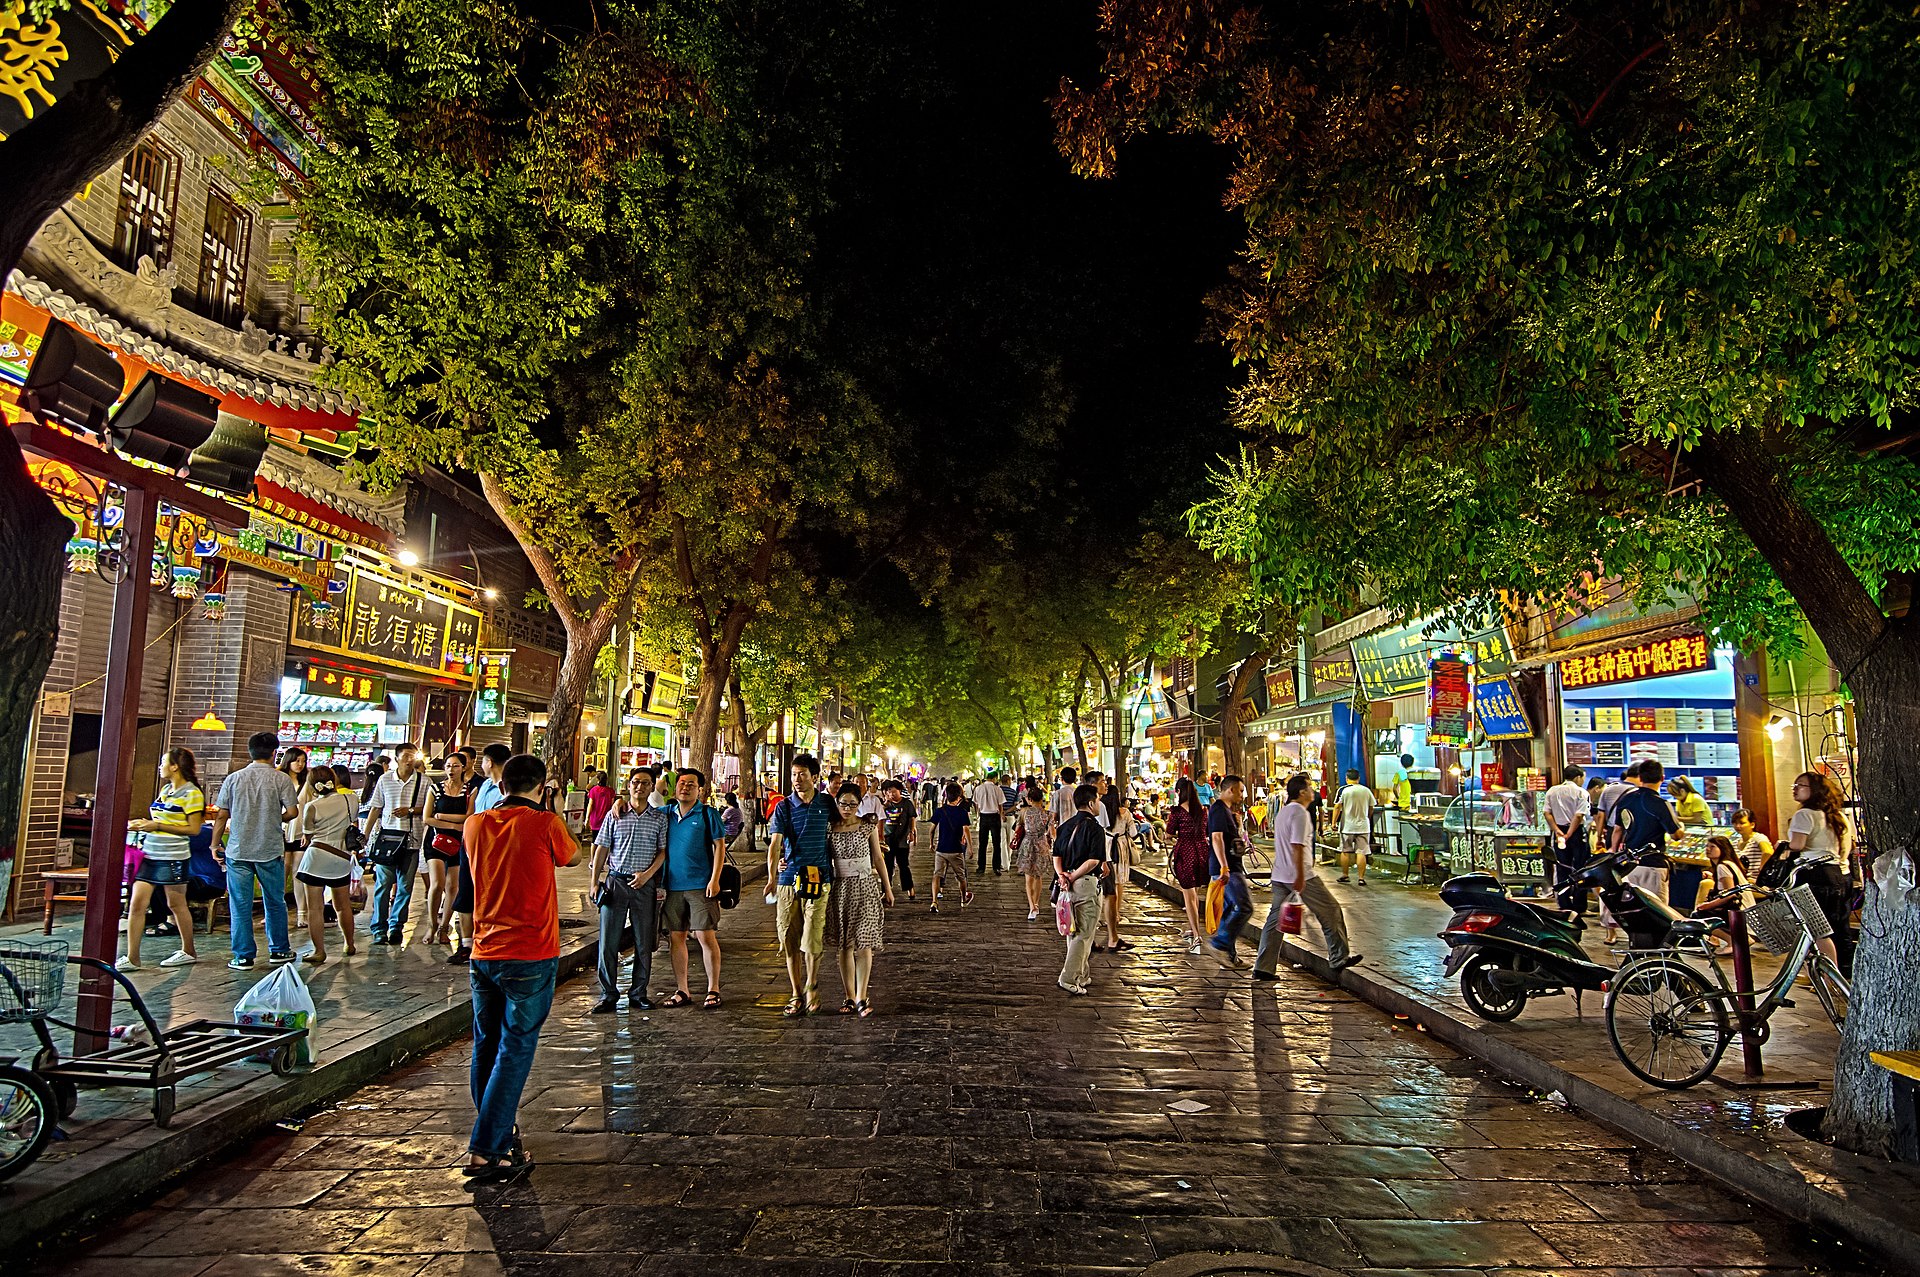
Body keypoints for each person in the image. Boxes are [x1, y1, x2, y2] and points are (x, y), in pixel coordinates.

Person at [460, 752, 577, 1183]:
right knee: (515, 1048)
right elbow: (573, 857)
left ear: (500, 783)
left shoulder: (475, 823)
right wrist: (555, 811)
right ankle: (487, 1148)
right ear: (542, 787)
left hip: (484, 952)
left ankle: (502, 1141)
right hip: (530, 951)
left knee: (486, 1046)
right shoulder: (546, 823)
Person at [1253, 773, 1359, 978]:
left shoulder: (1283, 812)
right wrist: (1300, 876)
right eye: (1310, 788)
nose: (1313, 792)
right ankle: (1338, 957)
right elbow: (1297, 847)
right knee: (1330, 910)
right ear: (1302, 792)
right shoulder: (1300, 814)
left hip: (1280, 874)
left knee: (1275, 922)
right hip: (1299, 875)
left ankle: (1263, 967)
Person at [213, 731, 301, 971]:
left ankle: (243, 956)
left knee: (239, 904)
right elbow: (293, 813)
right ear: (274, 753)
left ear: (250, 752)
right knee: (274, 901)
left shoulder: (233, 779)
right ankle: (279, 950)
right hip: (269, 849)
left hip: (238, 850)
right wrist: (275, 818)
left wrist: (214, 844)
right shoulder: (281, 779)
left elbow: (222, 814)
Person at [589, 769, 668, 1013]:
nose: (639, 787)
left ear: (652, 787)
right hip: (615, 882)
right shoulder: (615, 816)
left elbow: (662, 852)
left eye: (645, 783)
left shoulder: (659, 819)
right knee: (608, 942)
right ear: (629, 784)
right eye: (635, 782)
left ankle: (638, 993)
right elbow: (602, 847)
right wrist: (594, 881)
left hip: (643, 885)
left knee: (643, 941)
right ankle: (608, 994)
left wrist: (648, 875)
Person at [121, 748, 207, 970]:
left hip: (173, 856)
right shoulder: (166, 789)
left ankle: (188, 950)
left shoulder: (192, 794)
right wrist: (143, 824)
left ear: (175, 766)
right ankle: (132, 957)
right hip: (150, 853)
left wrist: (157, 825)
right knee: (137, 903)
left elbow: (194, 829)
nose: (160, 766)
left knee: (176, 903)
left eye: (163, 762)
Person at [768, 754, 837, 1016]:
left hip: (820, 878)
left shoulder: (826, 803)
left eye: (803, 774)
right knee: (789, 937)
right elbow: (775, 843)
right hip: (789, 879)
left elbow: (841, 828)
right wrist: (772, 875)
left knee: (812, 937)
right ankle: (796, 992)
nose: (797, 779)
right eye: (794, 774)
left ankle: (812, 986)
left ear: (815, 777)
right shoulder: (783, 807)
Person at [825, 781, 893, 1016]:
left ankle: (863, 996)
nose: (847, 808)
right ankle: (849, 996)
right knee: (845, 945)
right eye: (843, 803)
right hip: (840, 888)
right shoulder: (830, 828)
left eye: (853, 804)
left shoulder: (867, 826)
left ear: (859, 804)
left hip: (865, 888)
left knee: (863, 944)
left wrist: (887, 887)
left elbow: (878, 858)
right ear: (837, 802)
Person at [662, 767, 727, 1009]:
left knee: (705, 935)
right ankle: (682, 989)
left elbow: (719, 847)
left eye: (691, 783)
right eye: (681, 783)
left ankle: (713, 988)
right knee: (676, 937)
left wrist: (715, 879)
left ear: (700, 789)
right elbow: (642, 807)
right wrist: (620, 805)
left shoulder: (708, 814)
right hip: (673, 886)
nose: (685, 787)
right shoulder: (666, 813)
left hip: (701, 885)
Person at [1782, 771, 1854, 970]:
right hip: (1838, 874)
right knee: (1839, 927)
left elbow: (1797, 845)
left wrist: (1783, 846)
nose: (1795, 789)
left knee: (1815, 928)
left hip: (1812, 874)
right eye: (1794, 785)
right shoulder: (1838, 816)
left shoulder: (1804, 814)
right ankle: (1844, 971)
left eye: (1801, 785)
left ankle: (1825, 974)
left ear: (1815, 790)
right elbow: (1846, 849)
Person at [362, 742, 431, 947]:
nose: (410, 759)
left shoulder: (424, 781)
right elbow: (376, 808)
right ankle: (379, 928)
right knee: (383, 885)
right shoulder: (385, 780)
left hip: (412, 840)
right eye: (406, 755)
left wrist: (410, 810)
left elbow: (429, 809)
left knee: (405, 887)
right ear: (397, 758)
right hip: (388, 841)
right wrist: (366, 834)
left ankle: (396, 927)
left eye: (413, 755)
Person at [296, 765, 360, 963]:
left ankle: (319, 951)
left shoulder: (312, 806)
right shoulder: (351, 798)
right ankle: (349, 943)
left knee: (315, 908)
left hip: (316, 858)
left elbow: (308, 833)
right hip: (340, 858)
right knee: (343, 905)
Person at [1053, 783, 1108, 995]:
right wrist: (1074, 876)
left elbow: (1056, 855)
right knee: (1084, 934)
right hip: (1085, 883)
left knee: (1073, 931)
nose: (1100, 804)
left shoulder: (1065, 826)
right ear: (1091, 802)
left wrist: (1063, 876)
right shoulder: (1095, 828)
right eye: (1098, 800)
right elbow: (1094, 860)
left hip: (1067, 885)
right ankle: (1068, 977)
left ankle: (1082, 974)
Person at [1202, 775, 1256, 969]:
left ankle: (1230, 956)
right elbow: (1216, 838)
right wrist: (1224, 866)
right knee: (1244, 907)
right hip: (1228, 869)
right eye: (1241, 791)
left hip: (1230, 866)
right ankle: (1220, 943)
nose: (1242, 795)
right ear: (1230, 789)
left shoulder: (1226, 811)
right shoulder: (1217, 809)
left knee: (1230, 909)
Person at [423, 752, 474, 946]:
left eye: (455, 766)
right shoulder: (435, 789)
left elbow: (469, 816)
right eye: (448, 766)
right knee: (437, 883)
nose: (451, 770)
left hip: (459, 842)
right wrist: (453, 824)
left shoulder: (469, 790)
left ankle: (444, 926)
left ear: (464, 768)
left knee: (453, 886)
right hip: (435, 840)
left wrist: (442, 815)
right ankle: (431, 924)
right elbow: (427, 818)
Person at [1164, 776, 1211, 954]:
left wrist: (1175, 837)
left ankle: (1197, 936)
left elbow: (1168, 834)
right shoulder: (1203, 810)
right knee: (1195, 895)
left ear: (1179, 792)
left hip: (1186, 853)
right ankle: (1193, 928)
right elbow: (1205, 832)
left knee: (1188, 897)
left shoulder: (1176, 811)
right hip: (1202, 853)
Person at [1544, 764, 1590, 913]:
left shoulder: (1552, 791)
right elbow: (1579, 815)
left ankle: (1563, 903)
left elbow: (1547, 813)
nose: (1583, 780)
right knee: (1581, 868)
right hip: (1576, 832)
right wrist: (1570, 833)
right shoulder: (1581, 792)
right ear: (1577, 777)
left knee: (1562, 866)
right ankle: (1579, 905)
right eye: (1582, 777)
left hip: (1559, 832)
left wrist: (1557, 831)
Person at [1097, 783, 1136, 952]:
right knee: (1119, 882)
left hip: (1105, 847)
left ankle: (1105, 915)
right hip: (1121, 847)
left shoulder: (1102, 811)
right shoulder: (1125, 813)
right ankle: (1116, 913)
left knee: (1107, 883)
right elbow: (1133, 832)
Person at [278, 748, 313, 928]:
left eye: (303, 761)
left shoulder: (307, 781)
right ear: (288, 761)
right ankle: (276, 912)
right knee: (281, 873)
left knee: (298, 873)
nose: (300, 765)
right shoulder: (279, 778)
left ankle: (302, 914)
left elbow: (310, 806)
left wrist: (309, 831)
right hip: (281, 831)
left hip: (300, 832)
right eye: (297, 761)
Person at [927, 781, 974, 912]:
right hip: (956, 850)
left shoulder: (940, 811)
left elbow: (931, 829)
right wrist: (970, 847)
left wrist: (931, 843)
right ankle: (963, 898)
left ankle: (934, 902)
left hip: (941, 849)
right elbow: (966, 830)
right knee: (961, 876)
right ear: (959, 798)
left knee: (937, 875)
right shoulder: (962, 812)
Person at [1013, 782, 1056, 921]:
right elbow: (1052, 833)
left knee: (1028, 878)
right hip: (1041, 844)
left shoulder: (1024, 812)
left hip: (1027, 844)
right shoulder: (1048, 814)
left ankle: (1032, 906)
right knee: (1038, 876)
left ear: (1029, 800)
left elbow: (1017, 829)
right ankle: (1036, 903)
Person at [1333, 769, 1375, 886]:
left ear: (1347, 778)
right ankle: (1361, 878)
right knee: (1361, 852)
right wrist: (1367, 817)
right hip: (1363, 826)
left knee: (1345, 850)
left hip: (1347, 826)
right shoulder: (1366, 791)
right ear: (1358, 778)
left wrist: (1333, 823)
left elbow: (1337, 807)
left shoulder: (1343, 790)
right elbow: (1371, 807)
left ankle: (1345, 875)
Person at [880, 779, 919, 902]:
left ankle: (909, 888)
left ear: (900, 791)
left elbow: (912, 818)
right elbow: (879, 820)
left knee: (903, 865)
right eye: (888, 792)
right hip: (888, 839)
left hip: (902, 839)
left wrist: (912, 832)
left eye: (893, 792)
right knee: (887, 866)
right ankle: (886, 890)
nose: (891, 795)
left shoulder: (907, 803)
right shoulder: (885, 805)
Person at [970, 770, 1006, 874]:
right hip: (994, 816)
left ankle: (981, 867)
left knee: (982, 843)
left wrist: (978, 815)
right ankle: (996, 867)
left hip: (983, 816)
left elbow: (976, 804)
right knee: (996, 843)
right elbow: (1000, 805)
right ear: (994, 778)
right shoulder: (997, 789)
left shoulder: (978, 788)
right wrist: (1002, 815)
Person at [1731, 808, 1774, 880]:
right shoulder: (1735, 843)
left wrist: (1762, 871)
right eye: (1735, 823)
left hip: (1755, 881)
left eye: (1742, 823)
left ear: (1752, 824)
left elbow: (1768, 852)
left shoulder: (1758, 837)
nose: (1737, 826)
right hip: (1742, 880)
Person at [584, 770, 616, 840]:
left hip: (595, 818)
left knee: (594, 840)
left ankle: (593, 851)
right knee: (605, 840)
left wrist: (587, 818)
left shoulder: (593, 790)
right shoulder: (611, 791)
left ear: (598, 779)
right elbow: (612, 806)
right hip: (607, 819)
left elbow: (590, 805)